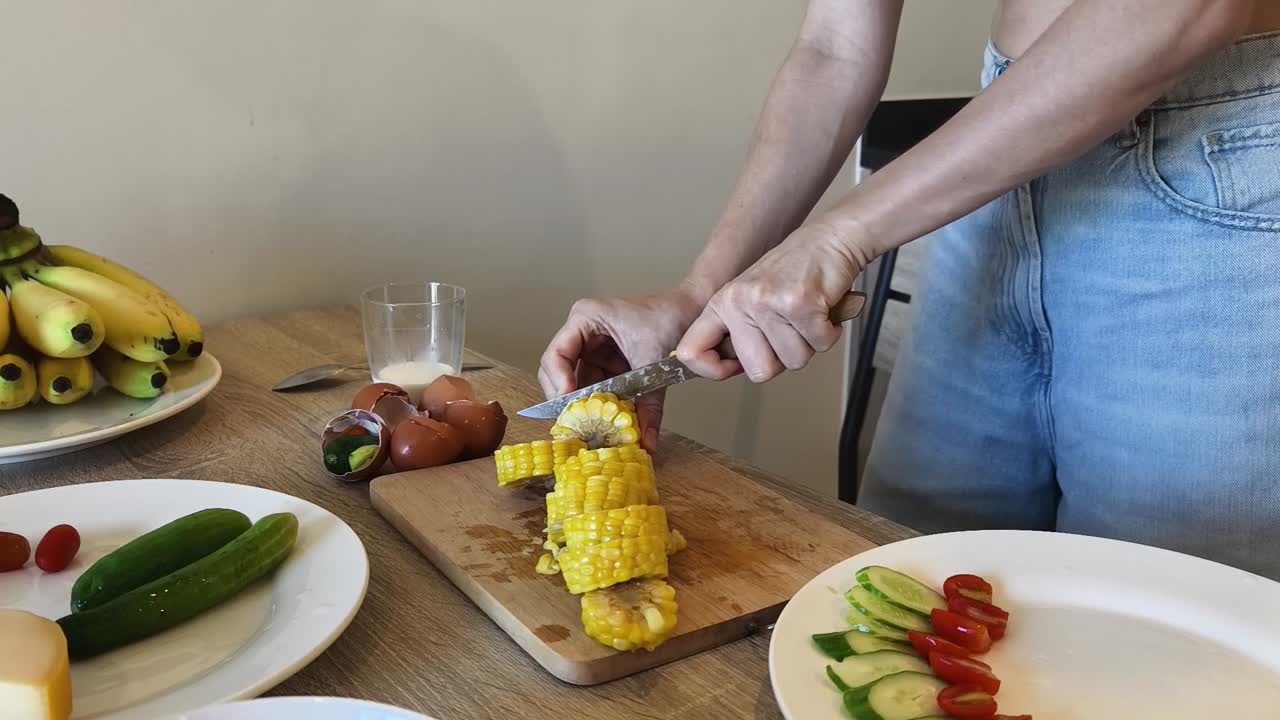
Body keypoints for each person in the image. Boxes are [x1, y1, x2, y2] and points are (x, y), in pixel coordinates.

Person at [538, 1, 1280, 580]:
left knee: (1170, 632)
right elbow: (836, 47)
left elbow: (1186, 9)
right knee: (915, 581)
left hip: (1217, 167)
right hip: (1002, 159)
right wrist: (701, 290)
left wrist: (837, 235)